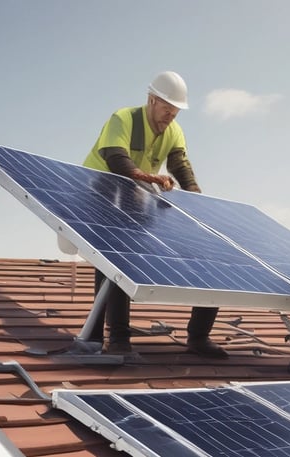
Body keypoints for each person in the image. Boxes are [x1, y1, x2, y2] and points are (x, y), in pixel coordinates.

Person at [82, 71, 227, 359]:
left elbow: (180, 166)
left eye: (175, 113)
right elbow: (116, 158)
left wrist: (199, 205)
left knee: (208, 250)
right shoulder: (123, 119)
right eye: (166, 110)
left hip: (135, 195)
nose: (170, 117)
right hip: (97, 193)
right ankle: (113, 338)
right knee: (113, 256)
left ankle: (198, 336)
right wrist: (148, 177)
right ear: (151, 100)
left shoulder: (173, 131)